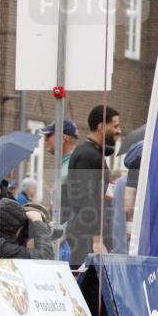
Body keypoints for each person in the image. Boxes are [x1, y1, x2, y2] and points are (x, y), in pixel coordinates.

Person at [66, 105, 121, 268]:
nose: (119, 131)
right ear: (101, 127)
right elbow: (86, 198)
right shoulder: (88, 155)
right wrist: (97, 239)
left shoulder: (92, 153)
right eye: (115, 126)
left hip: (87, 233)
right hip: (87, 237)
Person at [40, 118, 79, 261]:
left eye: (49, 135)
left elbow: (79, 207)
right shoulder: (65, 165)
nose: (46, 140)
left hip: (65, 244)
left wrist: (62, 235)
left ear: (62, 138)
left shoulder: (71, 167)